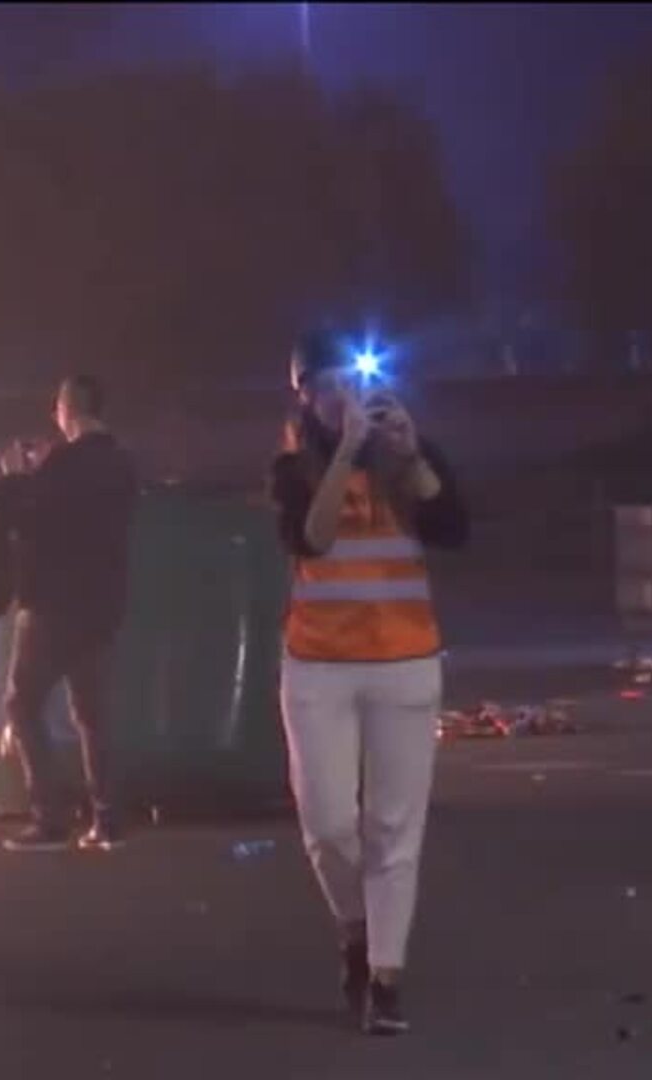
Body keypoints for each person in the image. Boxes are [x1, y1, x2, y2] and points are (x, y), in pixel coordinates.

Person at [269, 332, 468, 1036]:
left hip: (405, 661)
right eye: (324, 387)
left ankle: (386, 977)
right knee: (327, 825)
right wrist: (346, 454)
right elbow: (312, 539)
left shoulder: (408, 455)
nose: (340, 397)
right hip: (319, 666)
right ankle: (354, 928)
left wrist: (408, 455)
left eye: (350, 382)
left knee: (393, 827)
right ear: (304, 398)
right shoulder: (292, 468)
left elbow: (452, 528)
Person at [0, 373, 139, 853]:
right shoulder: (120, 464)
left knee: (22, 705)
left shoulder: (64, 464)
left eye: (57, 405)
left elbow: (33, 521)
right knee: (92, 713)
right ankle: (107, 820)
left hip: (53, 605)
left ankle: (49, 819)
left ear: (68, 407)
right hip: (102, 606)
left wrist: (18, 476)